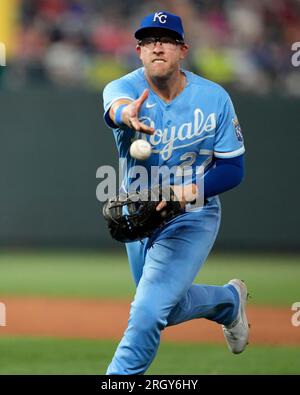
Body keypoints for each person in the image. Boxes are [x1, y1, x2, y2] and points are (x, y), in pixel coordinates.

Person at [102, 11, 249, 375]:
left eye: (165, 40)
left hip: (192, 215)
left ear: (182, 49)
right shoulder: (123, 88)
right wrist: (126, 116)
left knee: (148, 312)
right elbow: (115, 108)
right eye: (149, 41)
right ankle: (229, 302)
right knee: (163, 311)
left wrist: (189, 191)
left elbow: (233, 169)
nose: (157, 47)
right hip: (139, 216)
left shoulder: (214, 99)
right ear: (138, 51)